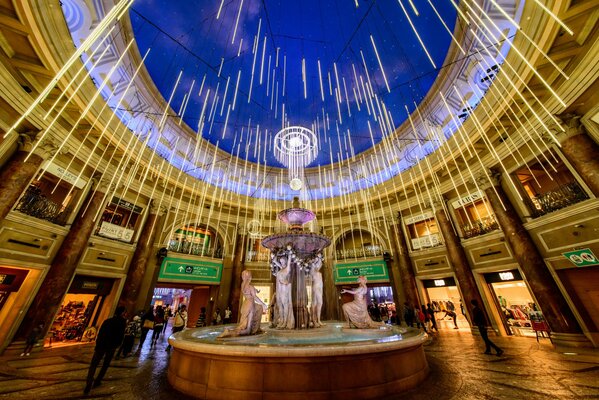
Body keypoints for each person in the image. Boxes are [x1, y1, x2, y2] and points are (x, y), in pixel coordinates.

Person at [84, 306, 127, 395]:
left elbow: (100, 333)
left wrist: (98, 344)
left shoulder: (107, 321)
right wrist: (118, 344)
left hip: (101, 345)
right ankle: (98, 380)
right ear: (122, 313)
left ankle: (89, 380)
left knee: (94, 364)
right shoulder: (122, 322)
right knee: (105, 364)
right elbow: (121, 335)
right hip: (111, 346)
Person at [218, 270, 267, 338]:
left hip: (245, 304)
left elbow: (250, 290)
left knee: (259, 307)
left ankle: (256, 328)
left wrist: (256, 290)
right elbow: (255, 297)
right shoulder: (250, 287)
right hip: (250, 305)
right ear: (250, 277)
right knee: (248, 330)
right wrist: (263, 303)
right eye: (250, 276)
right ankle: (229, 332)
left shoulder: (243, 285)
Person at [309, 253, 324, 327]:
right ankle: (314, 319)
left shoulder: (319, 273)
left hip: (320, 288)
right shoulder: (313, 272)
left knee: (320, 303)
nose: (318, 265)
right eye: (316, 262)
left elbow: (320, 263)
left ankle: (318, 319)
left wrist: (319, 257)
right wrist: (317, 259)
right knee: (315, 304)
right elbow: (315, 264)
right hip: (315, 288)